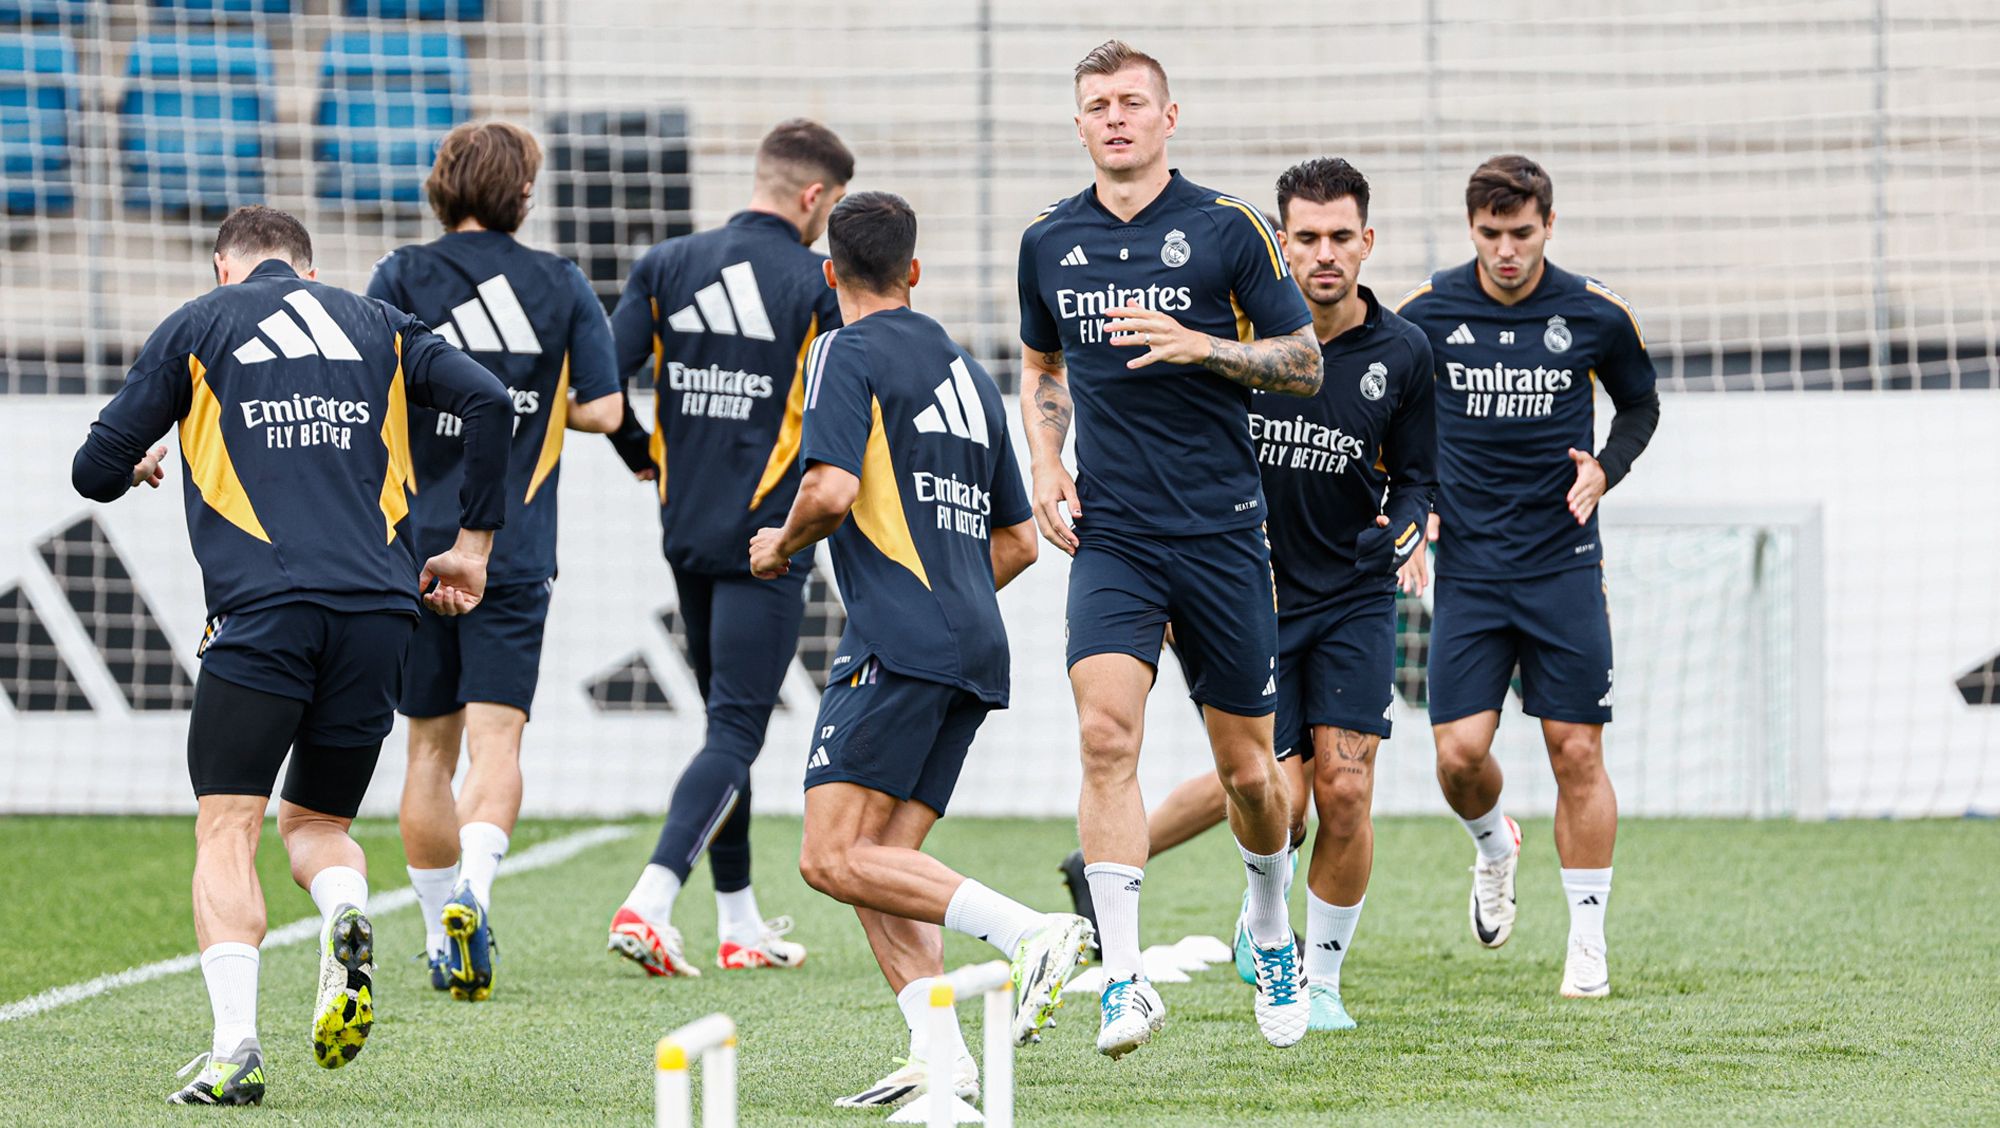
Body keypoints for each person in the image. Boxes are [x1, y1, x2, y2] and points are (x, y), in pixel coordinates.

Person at [70, 206, 510, 1105]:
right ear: (308, 271)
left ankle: (235, 1047)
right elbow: (491, 401)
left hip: (262, 611)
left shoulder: (201, 323)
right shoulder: (380, 325)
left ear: (224, 267)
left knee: (227, 825)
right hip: (381, 613)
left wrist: (137, 468)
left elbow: (92, 466)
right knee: (317, 825)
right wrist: (473, 547)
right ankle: (347, 913)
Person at [1059, 159, 1435, 1032]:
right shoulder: (1229, 327)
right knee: (1269, 786)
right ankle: (1210, 894)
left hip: (1348, 591)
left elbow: (1418, 480)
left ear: (1367, 243)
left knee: (1343, 787)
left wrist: (1411, 528)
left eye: (1342, 236)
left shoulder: (1403, 353)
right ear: (1281, 244)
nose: (1324, 253)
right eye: (1305, 237)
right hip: (1246, 579)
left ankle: (1323, 976)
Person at [748, 191, 1090, 1108]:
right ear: (915, 272)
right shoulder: (967, 371)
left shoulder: (842, 349)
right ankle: (943, 1058)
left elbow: (826, 489)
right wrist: (954, 598)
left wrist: (778, 546)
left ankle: (1031, 933)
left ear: (831, 277)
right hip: (973, 646)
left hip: (896, 642)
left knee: (828, 858)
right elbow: (1019, 542)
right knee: (881, 871)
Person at [1017, 39, 1325, 1056]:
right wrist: (1046, 460)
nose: (1115, 117)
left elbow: (1303, 361)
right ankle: (1124, 978)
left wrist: (1208, 349)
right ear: (1077, 124)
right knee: (1105, 737)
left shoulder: (1226, 227)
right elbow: (1038, 361)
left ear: (1167, 116)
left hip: (1222, 533)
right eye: (1097, 104)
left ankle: (1270, 928)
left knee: (1248, 773)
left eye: (1132, 102)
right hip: (1114, 534)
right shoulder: (1047, 242)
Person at [369, 120, 624, 1002]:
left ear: (442, 185)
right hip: (510, 548)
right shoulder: (557, 282)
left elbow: (371, 390)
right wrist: (534, 399)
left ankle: (443, 931)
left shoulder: (400, 275)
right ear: (523, 194)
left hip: (415, 548)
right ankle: (475, 891)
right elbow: (604, 408)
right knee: (497, 737)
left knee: (426, 752)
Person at [1396, 155, 1660, 998]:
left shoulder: (1594, 312)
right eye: (1490, 235)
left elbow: (1641, 403)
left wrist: (1605, 469)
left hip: (1564, 566)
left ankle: (1587, 942)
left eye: (1522, 233)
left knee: (1575, 748)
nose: (1506, 251)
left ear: (1549, 225)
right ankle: (1493, 850)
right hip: (1470, 572)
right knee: (1458, 755)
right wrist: (1417, 503)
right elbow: (1387, 409)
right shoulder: (1428, 314)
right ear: (1469, 230)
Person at [601, 119, 853, 977]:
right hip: (768, 542)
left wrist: (642, 455)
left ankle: (739, 921)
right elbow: (843, 413)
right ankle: (651, 899)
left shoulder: (667, 265)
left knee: (723, 728)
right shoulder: (819, 280)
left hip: (684, 528)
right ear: (815, 197)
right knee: (738, 729)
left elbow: (599, 388)